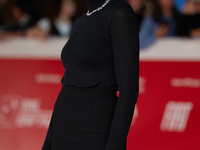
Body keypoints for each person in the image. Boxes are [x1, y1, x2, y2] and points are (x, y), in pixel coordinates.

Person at [41, 0, 140, 149]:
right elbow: (68, 83)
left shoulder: (120, 13)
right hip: (63, 123)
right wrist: (48, 142)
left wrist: (114, 146)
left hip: (96, 126)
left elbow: (129, 92)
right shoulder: (81, 20)